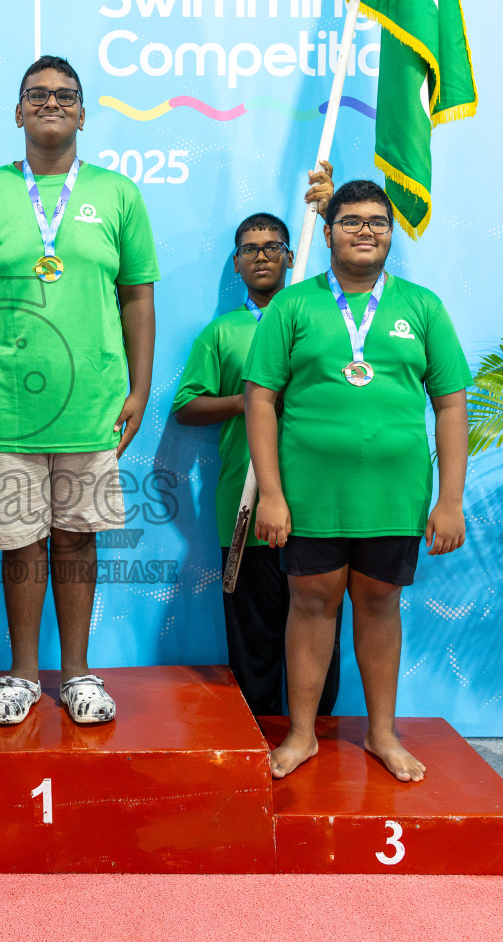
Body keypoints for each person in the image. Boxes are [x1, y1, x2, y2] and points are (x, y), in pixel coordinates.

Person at [0, 55, 158, 726]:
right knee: (19, 543)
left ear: (83, 114)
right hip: (7, 403)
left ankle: (76, 674)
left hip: (94, 402)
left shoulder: (118, 194)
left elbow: (138, 298)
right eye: (36, 95)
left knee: (76, 539)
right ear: (17, 111)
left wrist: (140, 388)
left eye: (65, 96)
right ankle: (21, 674)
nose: (50, 104)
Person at [242, 179, 470, 782]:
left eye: (377, 221)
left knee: (380, 604)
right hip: (311, 495)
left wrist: (450, 499)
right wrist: (271, 493)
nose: (365, 230)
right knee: (311, 603)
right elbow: (260, 400)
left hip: (395, 497)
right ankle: (301, 734)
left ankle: (382, 734)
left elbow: (451, 404)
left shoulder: (423, 307)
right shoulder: (292, 306)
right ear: (329, 232)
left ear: (391, 234)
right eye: (351, 221)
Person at [171, 188, 347, 718]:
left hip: (318, 503)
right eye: (250, 248)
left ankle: (314, 734)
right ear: (236, 263)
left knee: (320, 627)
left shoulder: (322, 320)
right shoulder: (221, 332)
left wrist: (329, 204)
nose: (262, 256)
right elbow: (187, 406)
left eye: (273, 247)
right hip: (244, 504)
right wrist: (250, 399)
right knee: (254, 635)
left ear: (292, 256)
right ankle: (259, 734)